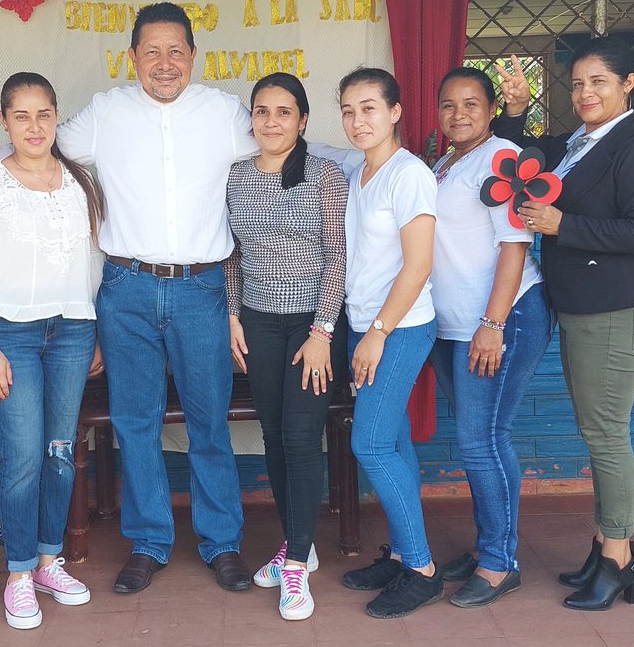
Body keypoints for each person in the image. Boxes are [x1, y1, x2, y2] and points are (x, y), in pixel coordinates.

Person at [57, 2, 259, 595]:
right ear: (132, 57)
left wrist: (372, 164)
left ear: (194, 56)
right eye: (152, 52)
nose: (164, 64)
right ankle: (149, 541)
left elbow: (286, 146)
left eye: (176, 52)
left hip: (202, 289)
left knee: (208, 422)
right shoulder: (105, 113)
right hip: (126, 289)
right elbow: (40, 151)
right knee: (135, 422)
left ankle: (221, 542)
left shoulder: (224, 113)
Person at [492, 37, 634, 611]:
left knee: (607, 438)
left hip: (614, 313)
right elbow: (520, 160)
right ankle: (607, 548)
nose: (585, 93)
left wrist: (562, 224)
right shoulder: (579, 142)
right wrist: (516, 111)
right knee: (600, 436)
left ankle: (617, 560)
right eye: (576, 84)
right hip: (583, 310)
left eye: (598, 82)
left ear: (628, 84)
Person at [0, 72, 105, 630]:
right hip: (10, 334)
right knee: (21, 456)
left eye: (43, 114)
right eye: (21, 116)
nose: (34, 126)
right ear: (4, 122)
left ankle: (48, 560)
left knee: (60, 451)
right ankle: (18, 575)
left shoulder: (79, 182)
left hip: (70, 331)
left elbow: (94, 263)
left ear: (55, 116)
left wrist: (93, 331)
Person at [223, 72, 347, 621]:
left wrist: (322, 332)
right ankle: (300, 543)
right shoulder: (237, 177)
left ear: (302, 120)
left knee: (300, 437)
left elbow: (337, 257)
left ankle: (294, 564)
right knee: (272, 434)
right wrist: (232, 315)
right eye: (261, 111)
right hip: (258, 322)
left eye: (283, 112)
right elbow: (231, 255)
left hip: (309, 328)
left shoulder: (324, 174)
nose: (271, 122)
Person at [428, 67, 551, 608]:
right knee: (481, 439)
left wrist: (493, 324)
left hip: (503, 319)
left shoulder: (502, 157)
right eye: (449, 105)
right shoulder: (442, 161)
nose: (459, 114)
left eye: (471, 103)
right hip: (457, 327)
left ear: (491, 108)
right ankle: (489, 548)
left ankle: (501, 563)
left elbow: (513, 245)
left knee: (484, 441)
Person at [335, 67, 441, 619]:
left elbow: (418, 265)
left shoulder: (410, 175)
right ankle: (402, 552)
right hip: (366, 325)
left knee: (370, 445)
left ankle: (422, 568)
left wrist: (376, 334)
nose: (358, 120)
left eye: (370, 108)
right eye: (349, 110)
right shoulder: (359, 172)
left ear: (396, 112)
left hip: (398, 329)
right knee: (393, 443)